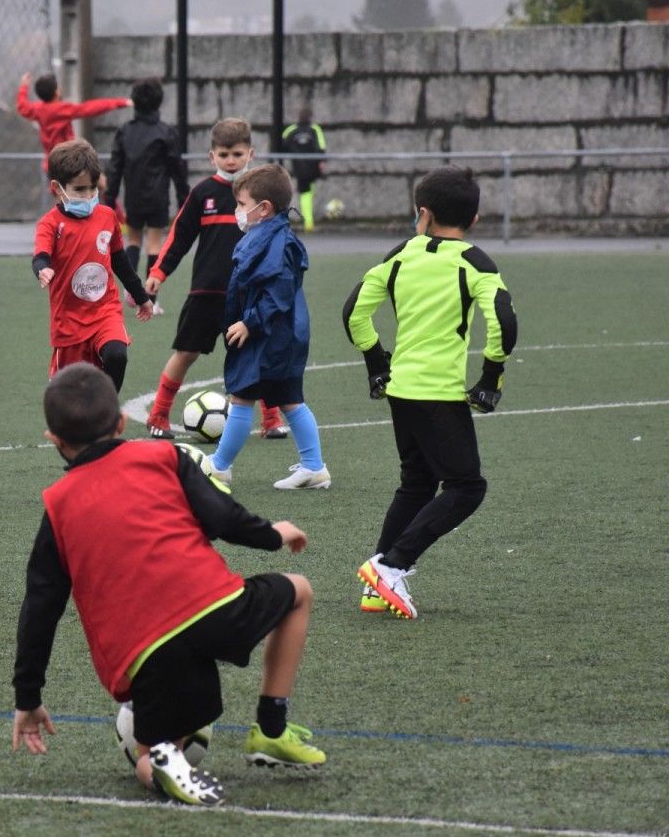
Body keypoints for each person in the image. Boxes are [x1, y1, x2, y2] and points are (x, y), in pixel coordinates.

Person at [11, 363, 325, 807]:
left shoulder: (57, 507)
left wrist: (29, 697)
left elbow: (41, 608)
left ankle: (162, 759)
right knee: (298, 591)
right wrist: (273, 534)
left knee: (150, 751)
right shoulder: (163, 456)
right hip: (215, 607)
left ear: (54, 440)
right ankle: (271, 728)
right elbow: (223, 517)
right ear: (121, 423)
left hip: (144, 652)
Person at [343, 166, 517, 619]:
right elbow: (502, 318)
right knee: (467, 487)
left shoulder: (401, 254)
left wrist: (376, 364)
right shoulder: (475, 261)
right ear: (474, 219)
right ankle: (393, 565)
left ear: (423, 213)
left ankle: (377, 582)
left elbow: (354, 311)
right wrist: (490, 378)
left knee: (417, 484)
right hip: (438, 392)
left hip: (402, 389)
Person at [143, 118, 289, 441]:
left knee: (258, 353)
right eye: (223, 155)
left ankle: (271, 418)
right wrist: (157, 274)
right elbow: (179, 237)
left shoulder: (262, 196)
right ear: (212, 157)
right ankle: (159, 414)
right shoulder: (202, 194)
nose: (231, 161)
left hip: (247, 294)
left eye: (237, 154)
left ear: (250, 153)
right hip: (206, 291)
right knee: (186, 352)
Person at [198, 165, 331, 491]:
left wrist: (250, 322)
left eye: (242, 205)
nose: (238, 212)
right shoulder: (269, 236)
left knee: (242, 396)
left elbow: (279, 292)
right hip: (279, 336)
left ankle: (220, 466)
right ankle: (314, 467)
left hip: (270, 336)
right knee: (289, 398)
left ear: (264, 208)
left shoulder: (277, 242)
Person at [32, 139, 153, 392]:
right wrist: (42, 268)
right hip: (68, 321)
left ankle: (106, 412)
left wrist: (142, 296)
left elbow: (120, 262)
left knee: (117, 355)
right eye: (79, 190)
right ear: (57, 188)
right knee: (69, 394)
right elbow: (40, 255)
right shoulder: (50, 224)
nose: (88, 196)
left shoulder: (107, 217)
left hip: (104, 311)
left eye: (92, 189)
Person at [104, 78, 188, 308]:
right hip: (158, 197)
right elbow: (177, 169)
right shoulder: (166, 132)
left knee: (132, 240)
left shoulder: (125, 131)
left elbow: (115, 167)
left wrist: (109, 198)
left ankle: (131, 289)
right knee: (154, 244)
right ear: (159, 102)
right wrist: (184, 198)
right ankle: (150, 298)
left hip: (134, 197)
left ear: (135, 102)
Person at [15, 71, 131, 172]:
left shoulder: (38, 109)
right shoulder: (61, 110)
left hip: (51, 161)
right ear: (57, 92)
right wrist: (121, 102)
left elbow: (22, 106)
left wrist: (23, 87)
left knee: (63, 192)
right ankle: (108, 197)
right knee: (98, 182)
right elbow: (90, 108)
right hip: (67, 160)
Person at [281, 107, 326, 233]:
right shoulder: (314, 129)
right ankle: (309, 223)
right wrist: (321, 162)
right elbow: (321, 147)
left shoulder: (291, 130)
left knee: (306, 191)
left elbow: (282, 145)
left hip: (299, 167)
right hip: (312, 166)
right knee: (307, 192)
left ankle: (308, 221)